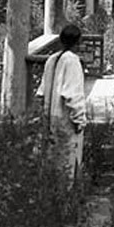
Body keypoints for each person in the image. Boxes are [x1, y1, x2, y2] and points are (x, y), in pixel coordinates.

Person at [36, 24, 86, 183]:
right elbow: (73, 94)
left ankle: (50, 194)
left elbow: (42, 91)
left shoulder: (52, 59)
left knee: (51, 158)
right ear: (78, 42)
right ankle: (64, 197)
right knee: (66, 160)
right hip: (64, 117)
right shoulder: (72, 61)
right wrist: (80, 119)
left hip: (49, 114)